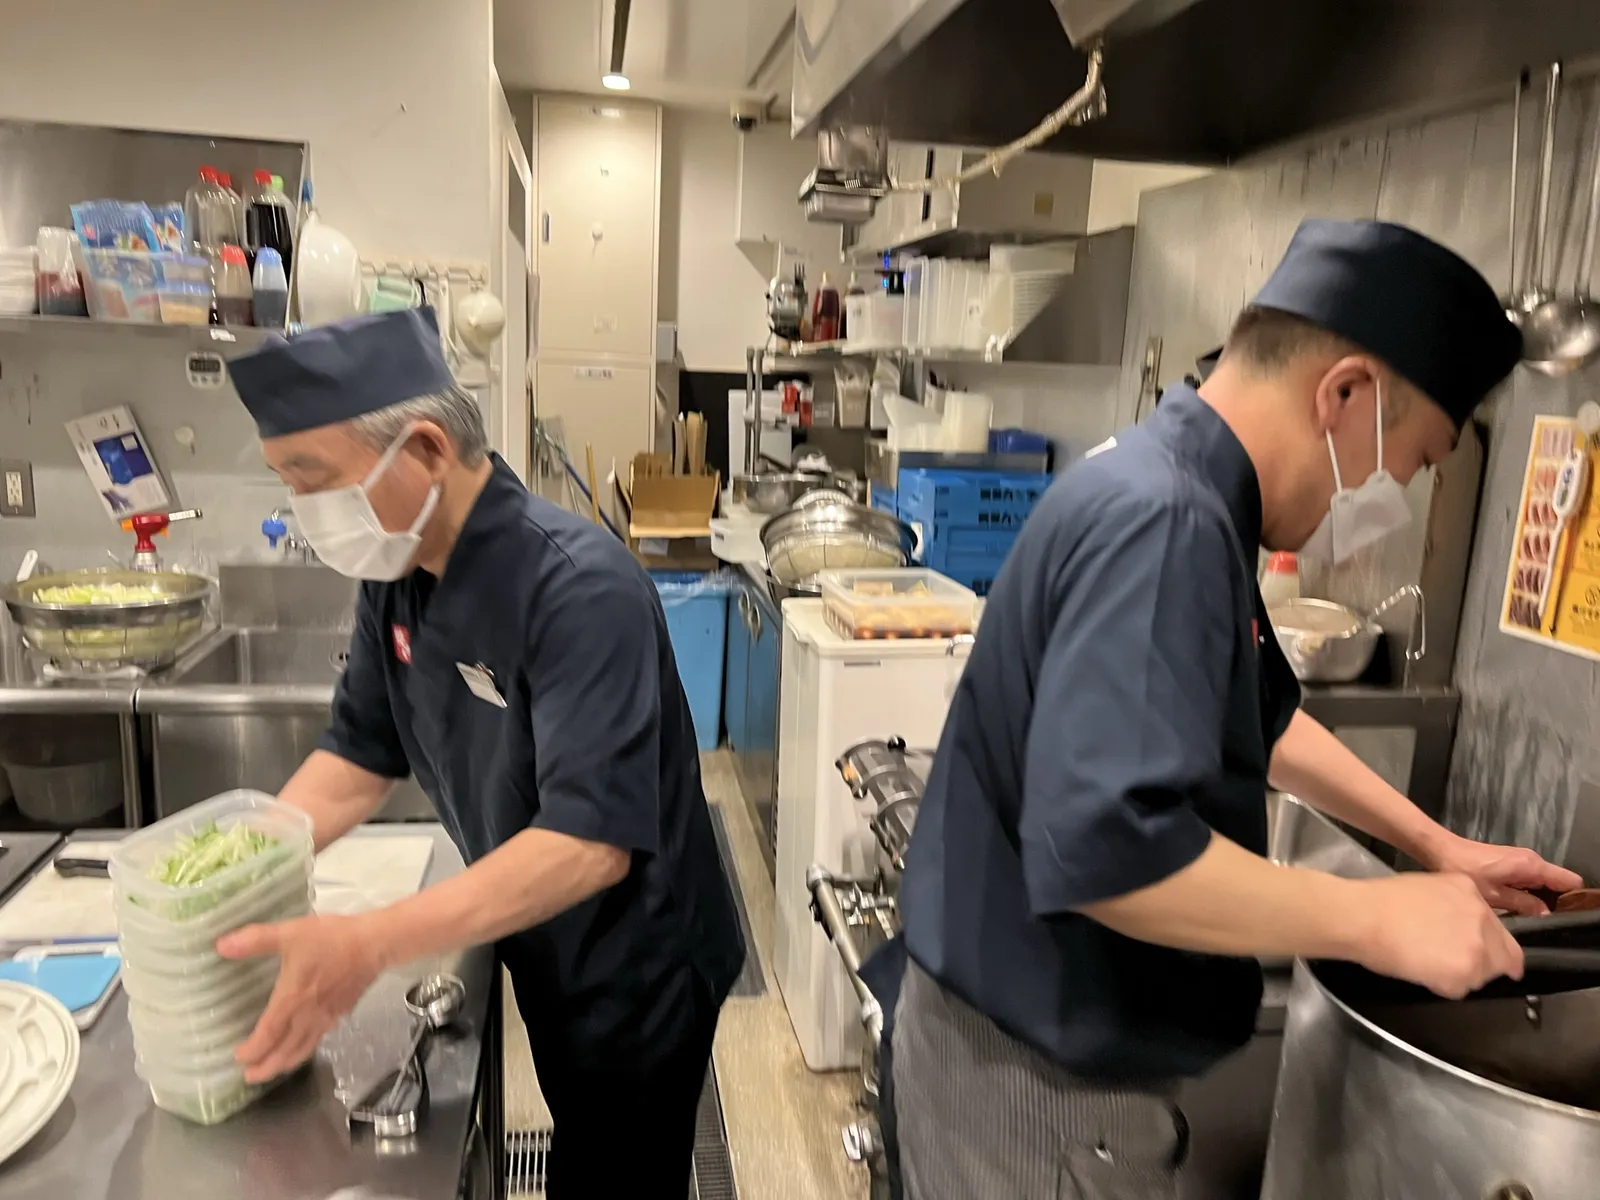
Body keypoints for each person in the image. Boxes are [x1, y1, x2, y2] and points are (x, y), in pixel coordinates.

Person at [873, 219, 1584, 1199]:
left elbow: (1262, 714)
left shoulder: (1183, 493)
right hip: (1039, 1103)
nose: (1393, 493)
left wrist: (1435, 849)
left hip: (1008, 1064)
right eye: (1413, 459)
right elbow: (1103, 853)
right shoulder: (1164, 524)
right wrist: (1373, 919)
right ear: (1344, 394)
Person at [217, 307, 746, 1199]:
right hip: (540, 935)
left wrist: (367, 944)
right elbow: (359, 752)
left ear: (423, 449)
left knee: (618, 1168)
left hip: (637, 968)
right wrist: (233, 876)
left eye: (314, 481)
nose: (306, 514)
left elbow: (587, 841)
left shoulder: (577, 589)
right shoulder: (396, 576)